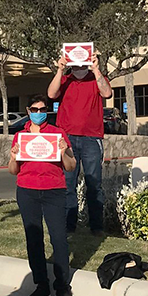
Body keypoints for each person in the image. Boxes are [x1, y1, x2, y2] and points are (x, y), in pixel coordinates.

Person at [9, 94, 78, 296]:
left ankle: (63, 285)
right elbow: (13, 170)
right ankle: (41, 284)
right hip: (27, 190)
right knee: (34, 239)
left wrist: (64, 153)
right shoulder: (21, 136)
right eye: (35, 109)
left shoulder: (57, 134)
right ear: (28, 111)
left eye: (42, 109)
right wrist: (13, 157)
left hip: (53, 190)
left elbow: (71, 166)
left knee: (58, 238)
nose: (39, 113)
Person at [47, 50, 113, 235]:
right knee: (67, 183)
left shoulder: (96, 78)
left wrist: (96, 69)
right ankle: (69, 226)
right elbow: (51, 94)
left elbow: (107, 93)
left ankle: (96, 227)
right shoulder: (65, 79)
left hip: (92, 138)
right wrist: (59, 70)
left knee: (94, 183)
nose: (77, 63)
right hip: (67, 139)